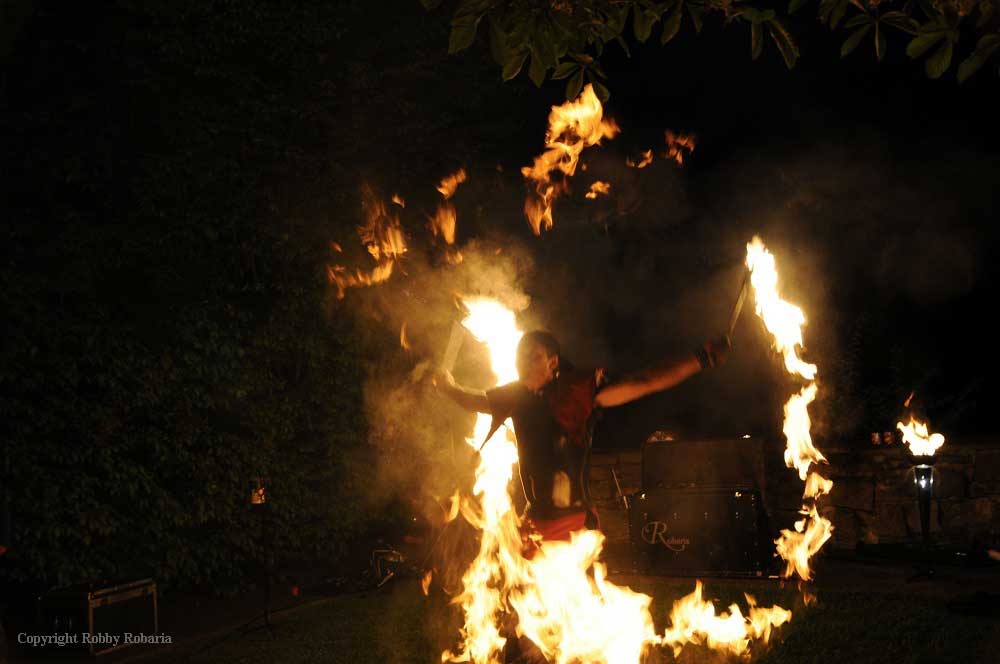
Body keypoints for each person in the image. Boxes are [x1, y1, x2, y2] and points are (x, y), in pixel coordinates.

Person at [433, 330, 730, 548]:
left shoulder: (578, 391)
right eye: (520, 356)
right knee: (530, 621)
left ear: (553, 362)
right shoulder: (513, 396)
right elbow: (471, 400)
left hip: (573, 527)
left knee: (572, 623)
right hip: (534, 523)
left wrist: (700, 359)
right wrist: (447, 386)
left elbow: (645, 381)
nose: (525, 362)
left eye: (534, 356)